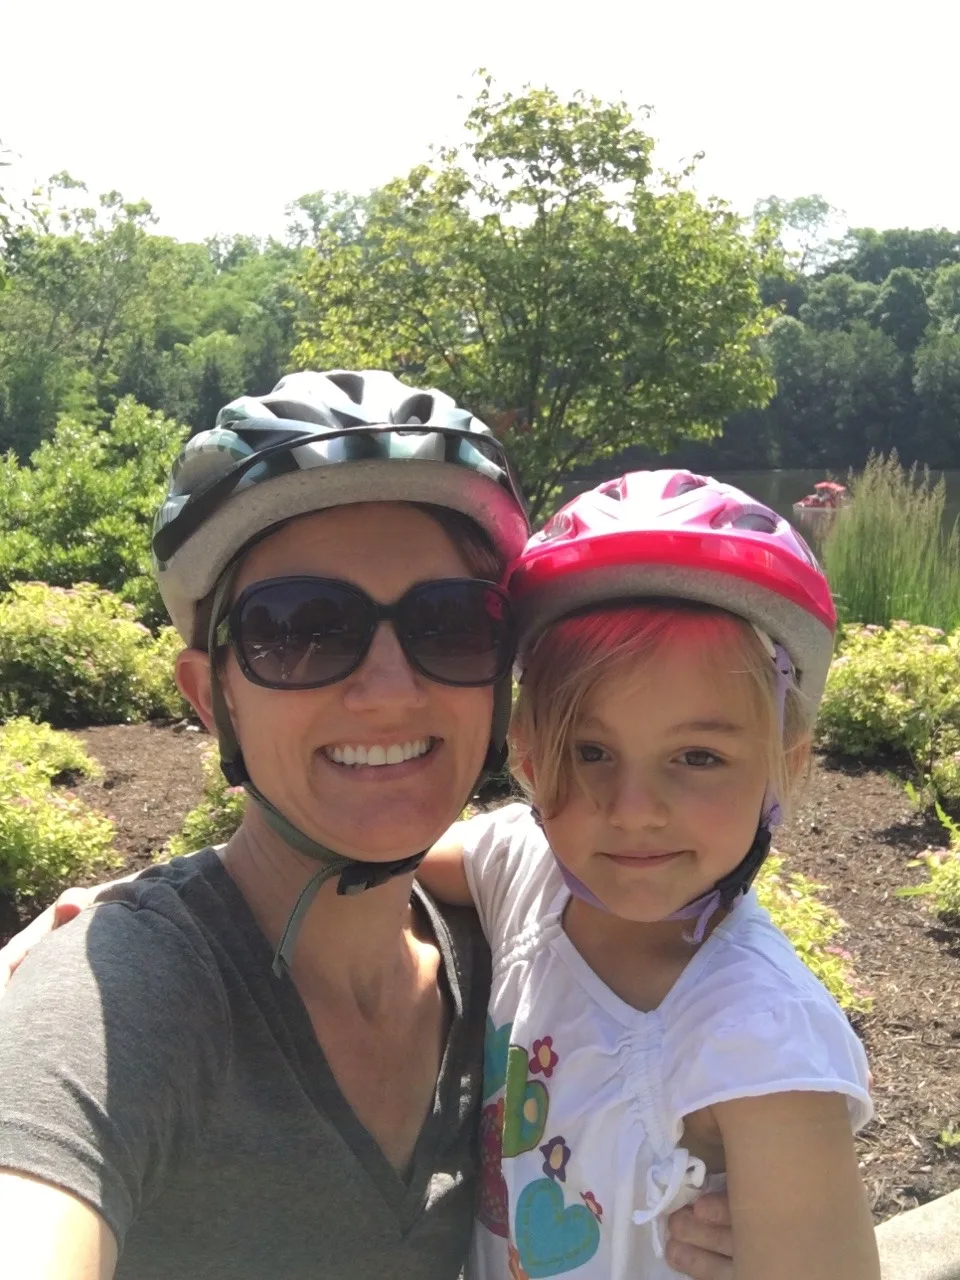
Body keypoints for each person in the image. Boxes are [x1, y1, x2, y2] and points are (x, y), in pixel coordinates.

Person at [0, 374, 734, 1280]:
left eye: (453, 623)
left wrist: (715, 1184)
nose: (391, 690)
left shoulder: (502, 942)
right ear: (209, 696)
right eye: (301, 629)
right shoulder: (130, 1000)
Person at [415, 471, 880, 1279]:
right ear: (528, 750)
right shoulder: (525, 865)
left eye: (697, 757)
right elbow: (388, 866)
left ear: (783, 765)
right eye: (590, 751)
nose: (632, 809)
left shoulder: (758, 1044)